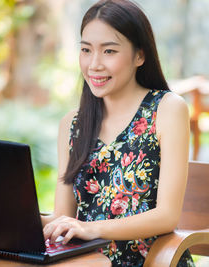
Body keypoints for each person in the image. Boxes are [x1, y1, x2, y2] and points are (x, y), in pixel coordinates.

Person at [41, 0, 194, 266]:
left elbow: (167, 215)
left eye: (109, 51)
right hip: (87, 263)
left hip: (152, 261)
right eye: (86, 50)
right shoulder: (72, 124)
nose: (94, 65)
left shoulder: (167, 109)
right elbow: (62, 217)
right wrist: (7, 213)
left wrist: (92, 228)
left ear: (140, 55)